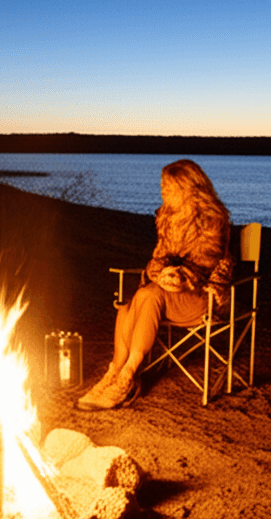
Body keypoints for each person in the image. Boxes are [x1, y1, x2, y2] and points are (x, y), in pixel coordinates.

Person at [76, 159, 234, 411]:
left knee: (148, 295)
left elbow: (204, 268)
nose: (162, 190)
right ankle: (114, 371)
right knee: (129, 303)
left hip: (202, 297)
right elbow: (159, 258)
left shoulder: (212, 219)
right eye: (162, 185)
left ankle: (126, 378)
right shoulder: (167, 217)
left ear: (188, 188)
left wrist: (177, 276)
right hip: (167, 295)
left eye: (169, 186)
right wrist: (161, 272)